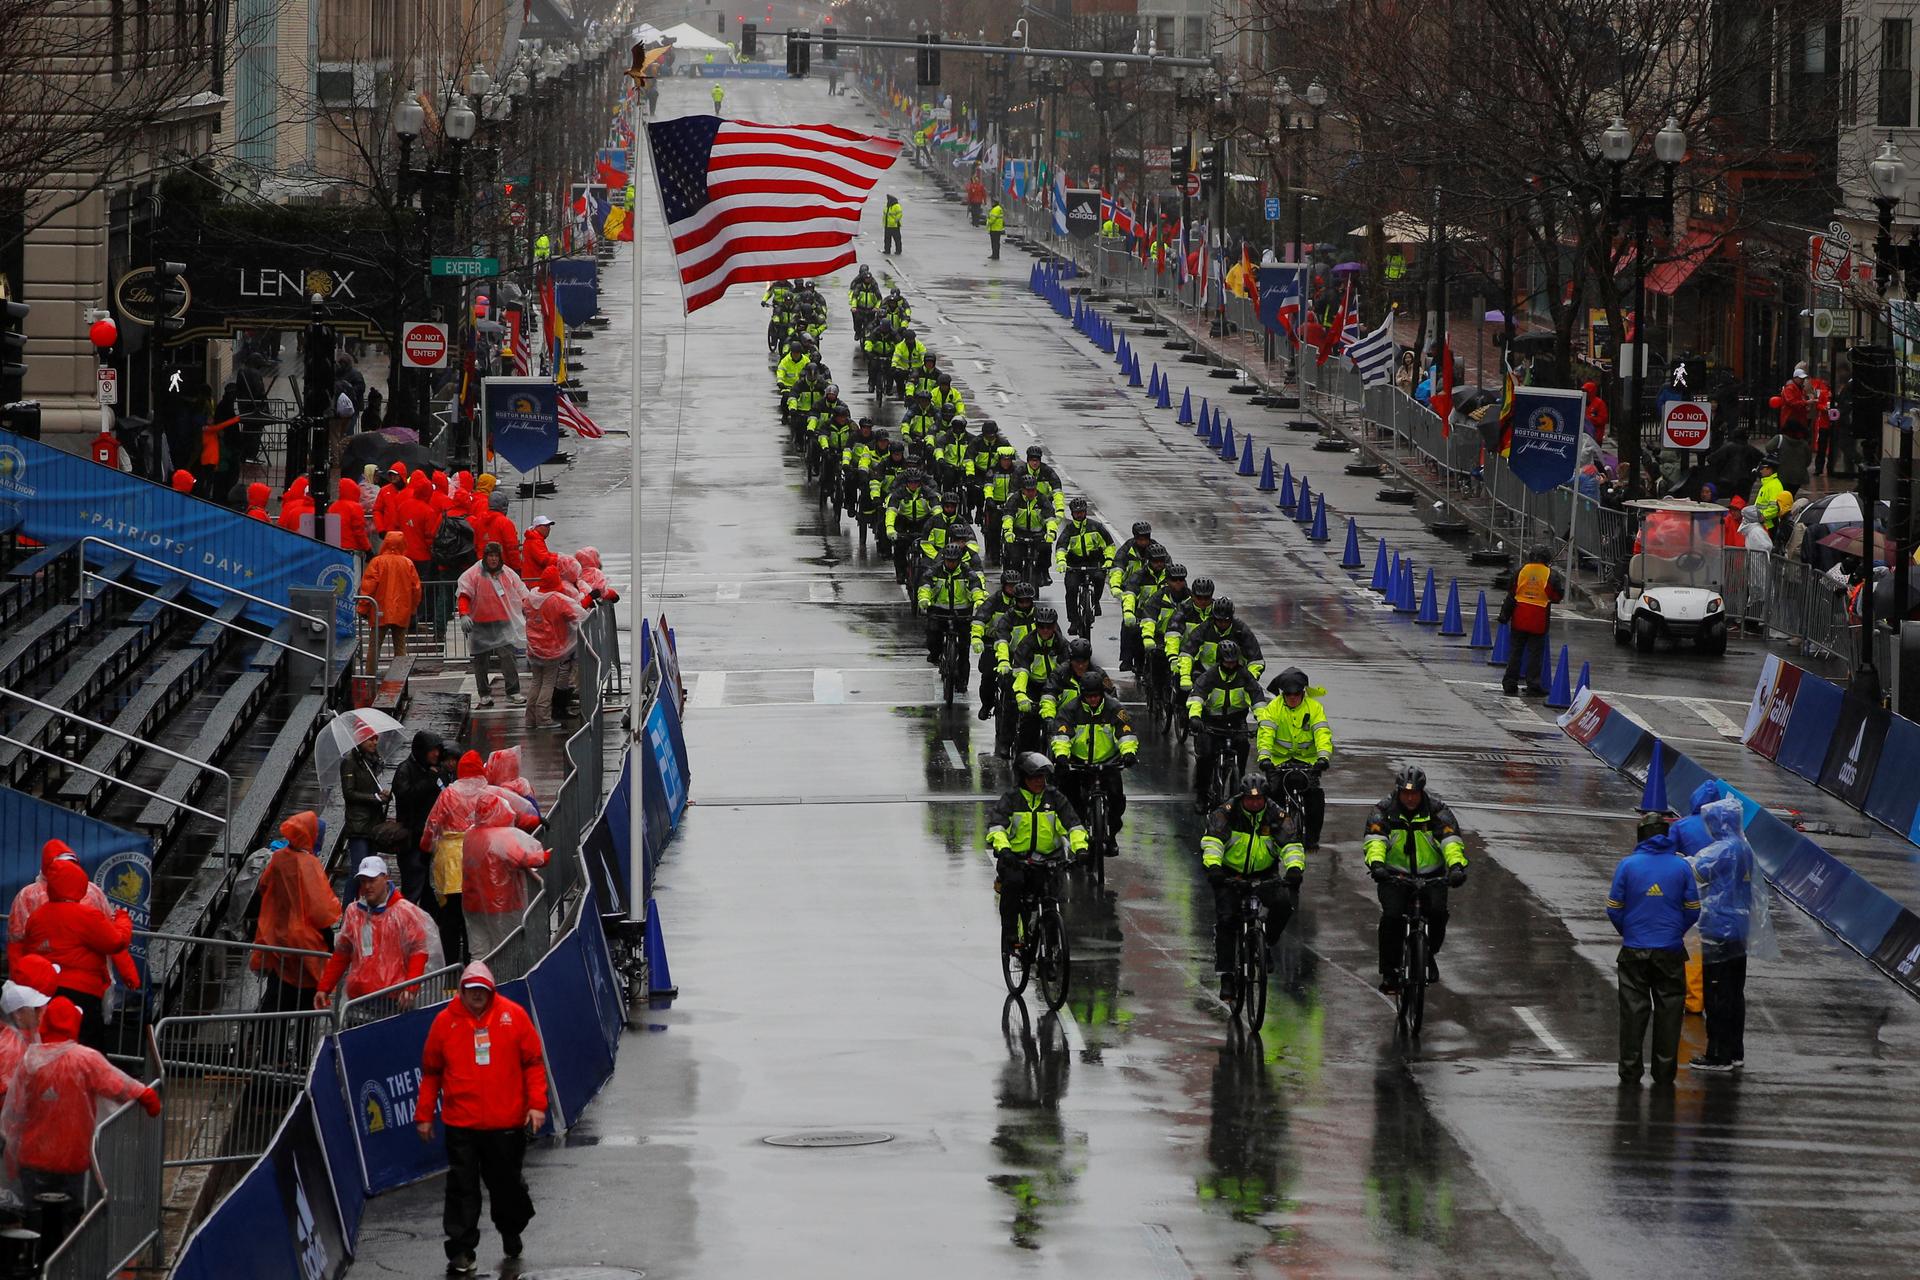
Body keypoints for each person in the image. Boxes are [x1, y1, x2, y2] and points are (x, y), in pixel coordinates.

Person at [417, 962, 547, 1272]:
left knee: (506, 1187)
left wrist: (537, 1106)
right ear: (461, 991)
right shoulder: (443, 1023)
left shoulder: (513, 1016)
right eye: (472, 990)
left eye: (482, 990)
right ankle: (462, 1249)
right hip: (461, 1124)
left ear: (491, 990)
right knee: (462, 1187)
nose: (477, 996)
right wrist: (424, 1115)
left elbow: (533, 1063)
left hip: (505, 1124)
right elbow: (432, 1073)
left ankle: (511, 1228)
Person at [0, 996, 159, 1237]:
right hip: (72, 1158)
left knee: (35, 1219)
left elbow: (15, 1110)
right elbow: (119, 1084)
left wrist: (11, 1151)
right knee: (70, 1218)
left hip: (32, 1157)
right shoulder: (85, 1059)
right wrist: (147, 1096)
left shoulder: (30, 1060)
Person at [1607, 812, 1699, 1085]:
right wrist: (1674, 932)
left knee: (1633, 1011)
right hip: (1670, 951)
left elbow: (1613, 908)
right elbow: (1693, 909)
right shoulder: (1681, 867)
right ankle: (1664, 1072)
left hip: (1634, 950)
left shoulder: (1628, 865)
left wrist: (1630, 931)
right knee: (1670, 1011)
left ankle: (1630, 1070)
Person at [1363, 766, 1468, 993]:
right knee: (1392, 918)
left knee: (1438, 914)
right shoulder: (1383, 811)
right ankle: (1390, 973)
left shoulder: (1438, 811)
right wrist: (1377, 865)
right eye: (1406, 793)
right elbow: (1375, 840)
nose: (1410, 798)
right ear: (1398, 791)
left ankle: (1428, 954)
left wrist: (1456, 867)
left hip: (1433, 877)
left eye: (1415, 793)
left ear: (1422, 792)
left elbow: (1451, 841)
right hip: (1394, 876)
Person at [1202, 773, 1305, 998]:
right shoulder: (1226, 814)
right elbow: (1212, 842)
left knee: (1284, 903)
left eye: (1259, 800)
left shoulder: (1276, 815)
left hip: (1265, 873)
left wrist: (1295, 869)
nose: (1255, 803)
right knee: (1227, 920)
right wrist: (1214, 868)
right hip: (1230, 874)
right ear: (1242, 797)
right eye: (1250, 799)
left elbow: (1291, 845)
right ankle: (1227, 976)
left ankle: (1265, 943)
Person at [16, 859, 136, 1050]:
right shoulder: (87, 915)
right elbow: (115, 942)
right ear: (80, 883)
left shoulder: (37, 916)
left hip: (45, 991)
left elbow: (26, 948)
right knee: (88, 1047)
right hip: (83, 991)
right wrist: (122, 921)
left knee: (48, 1045)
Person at [1691, 796, 1766, 1071]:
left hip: (1718, 929)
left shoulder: (1721, 850)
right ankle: (1734, 1050)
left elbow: (1696, 873)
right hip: (1739, 929)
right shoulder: (1744, 847)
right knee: (1735, 993)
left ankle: (1717, 1053)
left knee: (1718, 994)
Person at [315, 857, 439, 1010]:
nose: (367, 886)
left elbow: (418, 953)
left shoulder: (406, 913)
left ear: (385, 878)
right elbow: (342, 953)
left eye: (372, 880)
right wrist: (324, 988)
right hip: (357, 999)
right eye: (363, 881)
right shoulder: (354, 912)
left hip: (391, 1000)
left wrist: (410, 989)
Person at [986, 754, 1087, 939]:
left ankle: (1050, 941)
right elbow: (996, 828)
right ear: (1023, 779)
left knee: (1052, 896)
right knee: (1013, 886)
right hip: (1016, 860)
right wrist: (1005, 851)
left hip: (1049, 860)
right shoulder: (1011, 799)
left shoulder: (1055, 798)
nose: (1039, 781)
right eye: (1034, 777)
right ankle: (1010, 933)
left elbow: (1073, 825)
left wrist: (1080, 849)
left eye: (1042, 777)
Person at [251, 812, 343, 1014]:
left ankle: (271, 1045)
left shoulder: (278, 859)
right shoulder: (309, 864)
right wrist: (329, 946)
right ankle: (301, 1046)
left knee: (277, 1004)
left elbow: (264, 889)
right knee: (305, 1008)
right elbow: (321, 911)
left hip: (279, 941)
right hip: (305, 946)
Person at [423, 750, 499, 963]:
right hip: (479, 863)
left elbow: (432, 826)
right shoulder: (489, 793)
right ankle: (472, 967)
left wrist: (426, 847)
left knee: (450, 921)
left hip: (450, 867)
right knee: (473, 922)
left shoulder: (448, 794)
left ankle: (449, 974)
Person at [461, 795, 552, 962]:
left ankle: (479, 978)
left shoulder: (470, 834)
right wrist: (545, 856)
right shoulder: (502, 837)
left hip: (472, 902)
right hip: (500, 903)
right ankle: (501, 984)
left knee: (479, 949)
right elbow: (526, 858)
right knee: (505, 947)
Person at [1049, 671, 1138, 836]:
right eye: (1089, 696)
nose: (1093, 700)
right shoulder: (1069, 710)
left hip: (1107, 763)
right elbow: (1062, 735)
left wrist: (1128, 753)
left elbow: (1125, 733)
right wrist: (1061, 755)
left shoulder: (1115, 709)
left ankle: (1111, 835)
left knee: (1117, 801)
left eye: (1096, 696)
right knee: (1069, 800)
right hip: (1078, 763)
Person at [1256, 667, 1334, 847]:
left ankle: (1312, 837)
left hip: (1308, 762)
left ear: (1303, 693)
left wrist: (1323, 758)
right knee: (1272, 795)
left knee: (1315, 797)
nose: (1293, 698)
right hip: (1278, 761)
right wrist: (1264, 758)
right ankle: (1272, 834)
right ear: (1282, 694)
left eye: (1297, 694)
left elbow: (1322, 733)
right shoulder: (1273, 708)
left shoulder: (1315, 708)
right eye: (1288, 694)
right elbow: (1265, 733)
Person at [1186, 640, 1264, 811]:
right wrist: (1195, 717)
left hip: (1236, 721)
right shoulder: (1209, 677)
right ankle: (1202, 794)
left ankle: (1240, 785)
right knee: (1205, 756)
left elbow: (1257, 698)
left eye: (1234, 662)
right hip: (1211, 723)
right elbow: (1197, 697)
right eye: (1228, 662)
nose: (1231, 665)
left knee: (1243, 746)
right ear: (1220, 661)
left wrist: (1263, 720)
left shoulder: (1245, 677)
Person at [457, 542, 531, 709]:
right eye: (490, 556)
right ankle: (484, 693)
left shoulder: (507, 573)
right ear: (485, 556)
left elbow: (521, 590)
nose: (493, 559)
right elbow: (464, 595)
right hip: (480, 625)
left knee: (509, 658)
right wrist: (463, 614)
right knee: (481, 662)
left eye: (496, 556)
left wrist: (527, 606)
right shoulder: (473, 574)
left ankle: (513, 692)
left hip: (503, 623)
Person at [525, 565, 589, 730]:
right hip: (550, 648)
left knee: (536, 681)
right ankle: (543, 718)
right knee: (548, 682)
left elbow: (524, 611)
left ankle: (530, 718)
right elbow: (577, 615)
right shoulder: (556, 600)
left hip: (533, 648)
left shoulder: (531, 597)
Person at [1498, 544, 1565, 697]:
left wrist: (1504, 615)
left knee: (1515, 652)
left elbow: (1511, 595)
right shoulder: (1550, 574)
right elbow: (1556, 596)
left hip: (1519, 617)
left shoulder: (1521, 572)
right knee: (1535, 654)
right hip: (1538, 619)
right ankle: (1533, 685)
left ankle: (1509, 683)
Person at [393, 731, 451, 903]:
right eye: (431, 750)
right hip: (412, 839)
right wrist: (429, 781)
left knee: (429, 889)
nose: (436, 754)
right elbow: (405, 796)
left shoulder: (437, 769)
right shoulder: (405, 770)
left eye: (437, 750)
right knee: (413, 886)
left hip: (432, 838)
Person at [1053, 497, 1115, 637]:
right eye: (1076, 512)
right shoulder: (1069, 530)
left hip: (1093, 562)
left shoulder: (1096, 526)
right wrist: (1062, 562)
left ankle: (1095, 601)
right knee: (1071, 589)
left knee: (1099, 578)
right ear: (1072, 513)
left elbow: (1109, 545)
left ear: (1085, 512)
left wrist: (1109, 560)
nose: (1079, 514)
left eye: (1081, 512)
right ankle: (1073, 620)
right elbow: (1061, 547)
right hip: (1075, 564)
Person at [359, 532, 422, 667]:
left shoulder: (377, 562)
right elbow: (416, 589)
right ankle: (399, 678)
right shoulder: (407, 563)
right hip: (401, 610)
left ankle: (371, 676)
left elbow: (368, 587)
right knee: (400, 646)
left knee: (374, 646)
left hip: (379, 610)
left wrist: (363, 608)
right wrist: (412, 609)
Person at [341, 723, 390, 866]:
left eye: (376, 738)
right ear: (360, 740)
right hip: (359, 824)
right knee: (359, 868)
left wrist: (382, 794)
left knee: (370, 869)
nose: (375, 742)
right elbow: (348, 793)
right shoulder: (349, 762)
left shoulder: (372, 761)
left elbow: (370, 786)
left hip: (374, 822)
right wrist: (375, 798)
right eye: (370, 739)